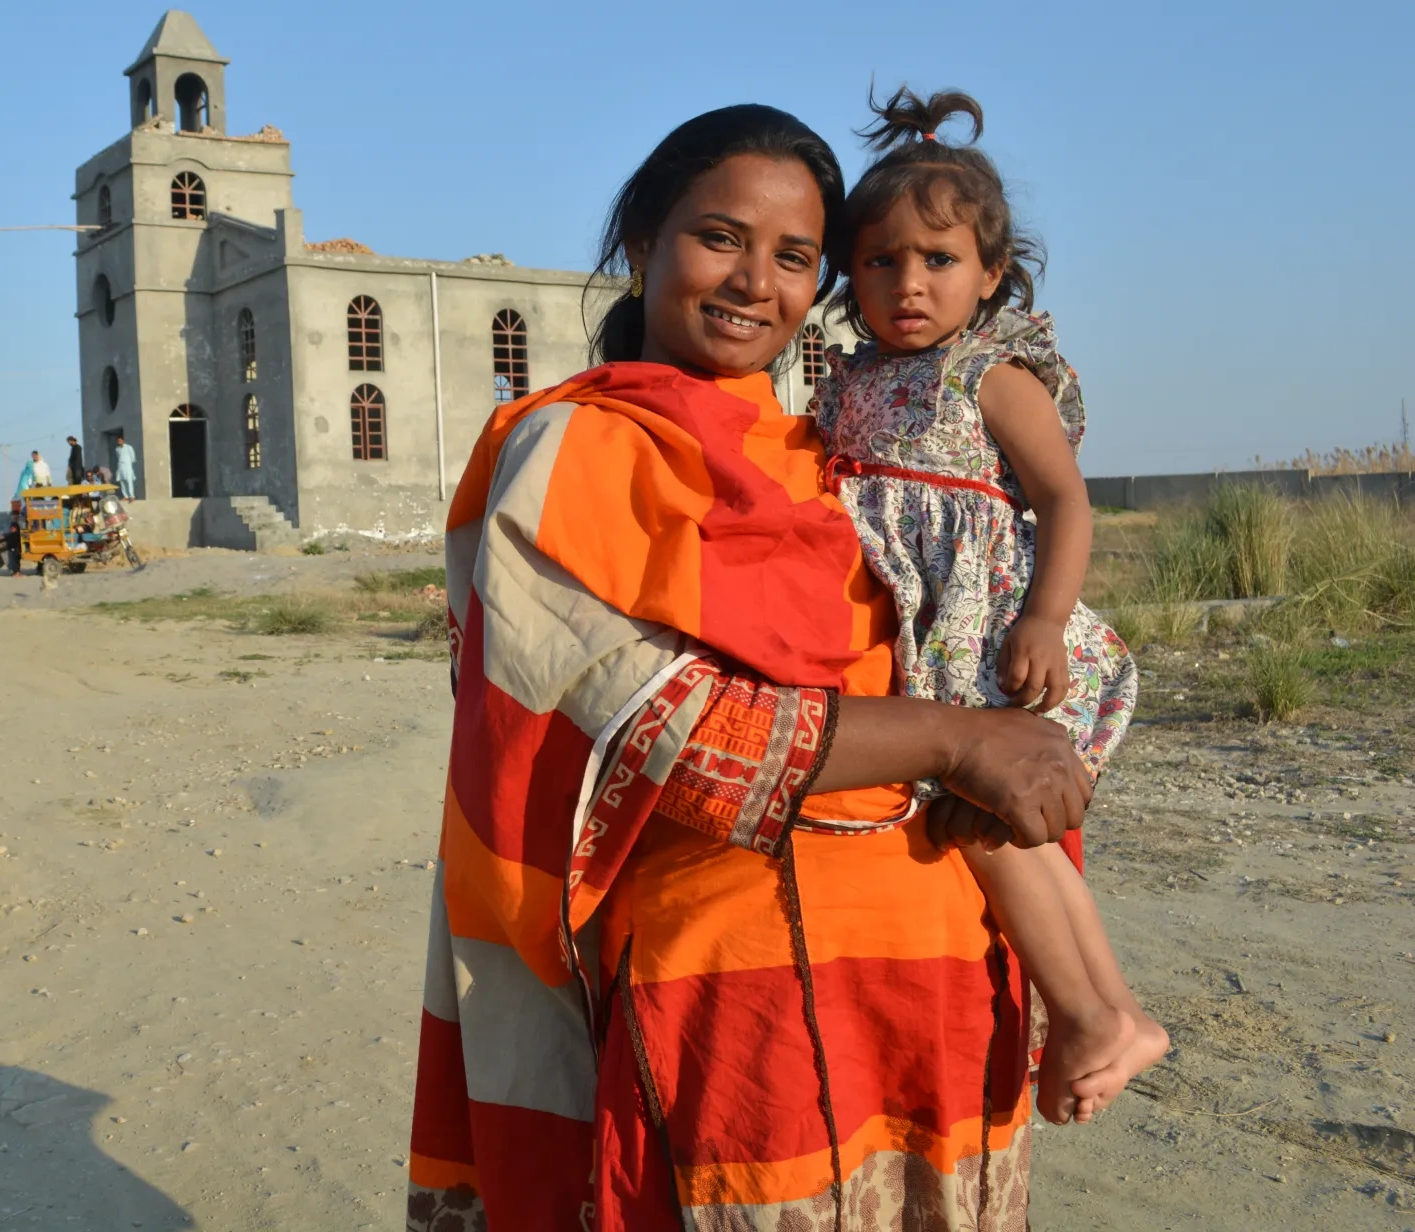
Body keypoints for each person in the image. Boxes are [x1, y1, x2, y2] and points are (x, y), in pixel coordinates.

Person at [410, 105, 1095, 1231]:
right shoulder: (577, 446)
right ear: (643, 241)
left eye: (791, 258)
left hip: (932, 985)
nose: (753, 283)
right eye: (719, 238)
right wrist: (958, 737)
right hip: (739, 1011)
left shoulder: (820, 456)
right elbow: (669, 735)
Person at [813, 87, 1166, 1125]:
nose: (907, 283)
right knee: (991, 824)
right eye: (878, 261)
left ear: (990, 276)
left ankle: (1093, 1009)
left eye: (937, 260)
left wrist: (1046, 620)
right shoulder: (851, 376)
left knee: (983, 819)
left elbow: (1063, 499)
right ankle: (1105, 1010)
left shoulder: (987, 370)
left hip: (988, 624)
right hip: (918, 631)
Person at [113, 435, 137, 500]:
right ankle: (125, 496)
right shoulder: (117, 449)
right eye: (118, 441)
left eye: (120, 441)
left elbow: (133, 457)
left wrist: (127, 463)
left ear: (123, 441)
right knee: (122, 481)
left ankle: (132, 496)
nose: (119, 442)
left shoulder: (129, 447)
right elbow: (119, 457)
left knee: (129, 481)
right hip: (120, 467)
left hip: (128, 466)